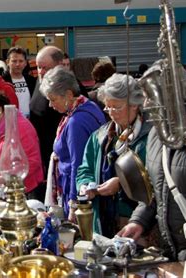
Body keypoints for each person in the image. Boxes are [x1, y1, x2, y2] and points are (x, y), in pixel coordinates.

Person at [117, 73, 186, 262]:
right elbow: (154, 191)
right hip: (172, 252)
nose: (146, 104)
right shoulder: (156, 133)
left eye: (151, 96)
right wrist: (138, 221)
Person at [77, 73, 151, 237]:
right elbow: (85, 169)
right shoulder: (100, 136)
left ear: (134, 105)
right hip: (103, 220)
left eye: (117, 107)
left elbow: (156, 180)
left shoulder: (152, 137)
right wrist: (85, 185)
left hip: (138, 224)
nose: (111, 112)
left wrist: (121, 183)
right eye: (107, 107)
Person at [40, 66, 106, 220]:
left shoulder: (76, 122)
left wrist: (73, 204)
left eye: (53, 99)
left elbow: (78, 164)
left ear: (68, 94)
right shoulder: (88, 106)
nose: (50, 105)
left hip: (77, 192)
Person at [29, 46, 65, 178]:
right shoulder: (39, 83)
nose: (41, 72)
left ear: (59, 66)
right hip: (38, 157)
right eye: (39, 67)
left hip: (57, 160)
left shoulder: (69, 89)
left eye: (45, 68)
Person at [2, 46, 37, 118]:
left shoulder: (32, 80)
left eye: (21, 61)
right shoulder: (2, 81)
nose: (18, 64)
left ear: (25, 63)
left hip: (30, 120)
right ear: (7, 62)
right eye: (14, 61)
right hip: (10, 120)